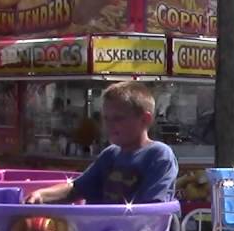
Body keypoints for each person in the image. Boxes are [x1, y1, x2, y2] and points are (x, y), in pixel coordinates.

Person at [28, 81, 177, 205]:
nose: (110, 125)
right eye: (106, 118)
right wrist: (42, 195)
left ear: (145, 120)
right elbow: (77, 188)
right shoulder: (110, 154)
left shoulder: (158, 155)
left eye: (118, 118)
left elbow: (150, 207)